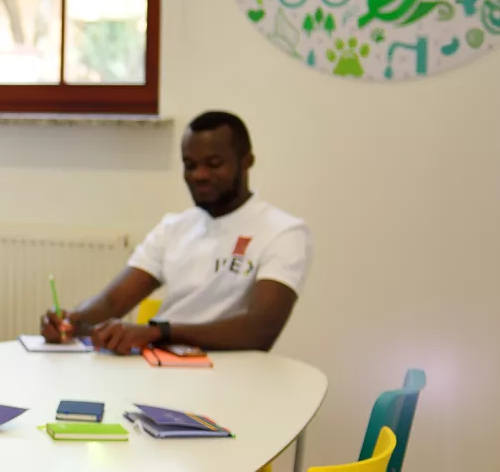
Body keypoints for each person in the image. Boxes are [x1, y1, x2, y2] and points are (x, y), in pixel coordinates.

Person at [40, 111, 312, 355]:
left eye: (214, 163)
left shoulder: (283, 232)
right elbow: (112, 302)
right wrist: (72, 320)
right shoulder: (174, 227)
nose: (200, 175)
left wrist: (159, 331)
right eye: (190, 165)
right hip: (162, 368)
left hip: (232, 377)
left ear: (247, 162)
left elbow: (260, 330)